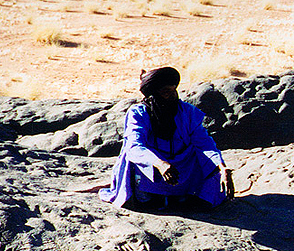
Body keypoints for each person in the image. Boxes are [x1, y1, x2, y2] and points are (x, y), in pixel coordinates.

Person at [99, 67, 234, 210]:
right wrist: (160, 164)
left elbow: (205, 144)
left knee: (208, 163)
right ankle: (158, 197)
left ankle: (181, 197)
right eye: (166, 92)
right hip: (152, 167)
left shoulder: (187, 112)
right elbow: (135, 147)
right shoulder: (138, 113)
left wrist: (222, 167)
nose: (173, 96)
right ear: (153, 95)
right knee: (132, 158)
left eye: (174, 90)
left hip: (181, 167)